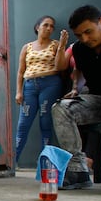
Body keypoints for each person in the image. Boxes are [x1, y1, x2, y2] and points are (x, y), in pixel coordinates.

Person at [52, 5, 101, 189]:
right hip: (97, 100)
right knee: (61, 108)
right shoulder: (80, 49)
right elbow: (78, 71)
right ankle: (77, 171)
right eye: (79, 35)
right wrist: (75, 89)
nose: (85, 39)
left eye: (88, 32)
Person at [14, 15, 69, 164]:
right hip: (30, 85)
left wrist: (62, 45)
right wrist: (19, 91)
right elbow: (20, 71)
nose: (49, 28)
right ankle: (12, 162)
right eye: (46, 25)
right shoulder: (27, 47)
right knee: (23, 125)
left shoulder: (56, 44)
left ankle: (45, 164)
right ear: (38, 27)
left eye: (52, 26)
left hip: (50, 84)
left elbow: (61, 66)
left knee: (46, 124)